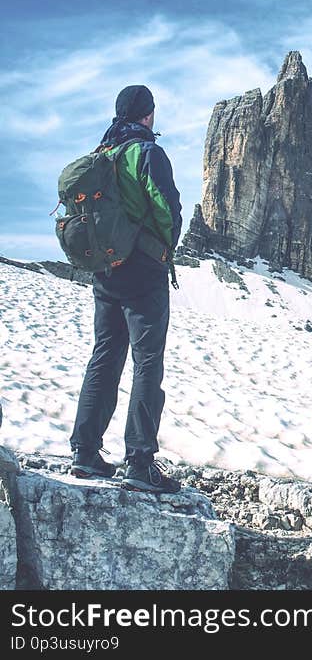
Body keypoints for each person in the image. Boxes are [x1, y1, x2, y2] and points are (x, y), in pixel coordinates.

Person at [69, 85, 183, 493]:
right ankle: (139, 461)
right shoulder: (146, 153)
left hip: (105, 271)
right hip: (144, 269)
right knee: (147, 361)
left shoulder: (102, 155)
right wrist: (164, 250)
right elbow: (166, 207)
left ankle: (84, 452)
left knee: (104, 355)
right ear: (147, 116)